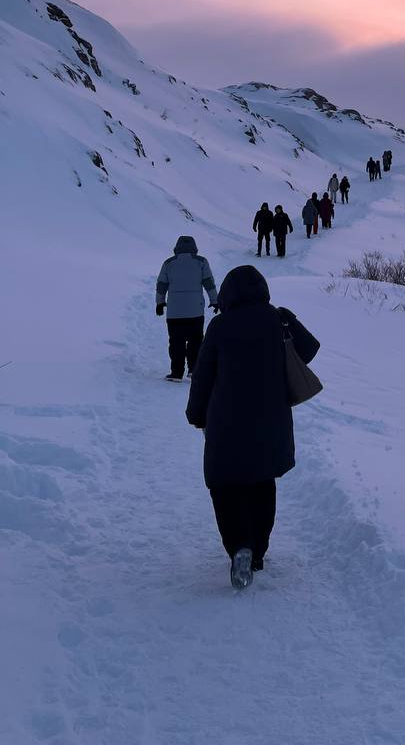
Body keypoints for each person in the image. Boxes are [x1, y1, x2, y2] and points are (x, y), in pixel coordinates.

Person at [185, 265, 320, 589]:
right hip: (271, 419)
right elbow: (309, 351)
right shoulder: (277, 319)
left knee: (225, 485)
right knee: (262, 483)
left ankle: (239, 547)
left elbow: (203, 376)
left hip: (225, 421)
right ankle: (257, 551)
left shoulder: (219, 326)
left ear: (229, 294)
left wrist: (196, 415)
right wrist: (287, 320)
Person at [155, 235, 219, 382]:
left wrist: (159, 303)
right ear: (194, 248)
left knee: (176, 341)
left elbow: (161, 285)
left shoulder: (168, 263)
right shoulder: (201, 262)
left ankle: (176, 372)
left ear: (176, 247)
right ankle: (194, 369)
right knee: (196, 341)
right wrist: (214, 301)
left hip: (174, 312)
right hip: (195, 311)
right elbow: (209, 283)